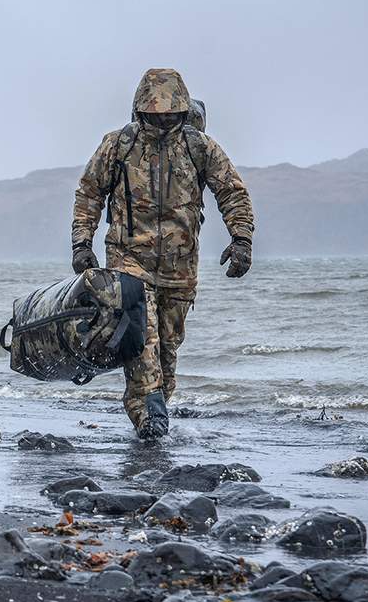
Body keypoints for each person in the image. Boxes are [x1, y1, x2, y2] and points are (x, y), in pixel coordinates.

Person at [71, 69, 255, 441]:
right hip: (128, 259)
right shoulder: (118, 146)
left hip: (180, 266)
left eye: (171, 113)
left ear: (183, 111)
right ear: (140, 110)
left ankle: (154, 420)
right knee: (142, 338)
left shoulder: (199, 146)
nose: (163, 120)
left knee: (168, 348)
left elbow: (231, 191)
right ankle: (147, 413)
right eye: (156, 114)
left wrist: (242, 239)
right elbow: (89, 192)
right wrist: (82, 243)